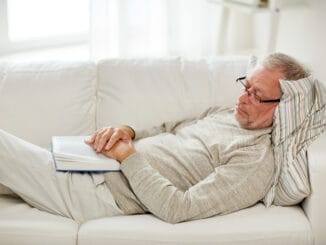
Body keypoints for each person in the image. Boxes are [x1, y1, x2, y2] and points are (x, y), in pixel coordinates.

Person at [0, 53, 310, 224]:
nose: (243, 98)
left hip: (100, 193)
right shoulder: (227, 114)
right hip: (91, 163)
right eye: (246, 86)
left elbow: (180, 208)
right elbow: (168, 128)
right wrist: (128, 132)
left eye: (257, 95)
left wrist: (128, 157)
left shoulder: (254, 161)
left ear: (284, 108)